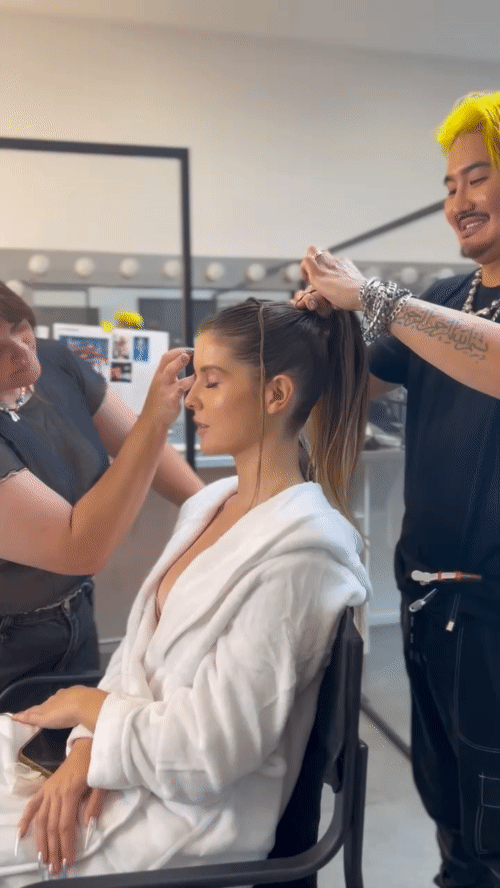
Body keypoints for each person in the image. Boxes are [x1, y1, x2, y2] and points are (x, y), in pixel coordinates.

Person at [0, 297, 371, 882]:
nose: (190, 397)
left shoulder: (303, 557)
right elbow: (134, 661)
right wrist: (85, 749)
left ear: (277, 394)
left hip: (186, 818)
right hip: (131, 760)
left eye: (213, 381)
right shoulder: (209, 505)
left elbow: (210, 751)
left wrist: (89, 707)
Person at [295, 90, 500, 888]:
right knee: (448, 802)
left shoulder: (438, 315)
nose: (459, 201)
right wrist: (325, 325)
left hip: (493, 614)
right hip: (429, 599)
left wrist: (375, 299)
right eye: (449, 185)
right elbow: (358, 383)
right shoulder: (447, 300)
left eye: (478, 177)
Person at [0, 282, 203, 695]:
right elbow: (80, 547)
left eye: (20, 328)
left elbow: (135, 442)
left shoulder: (55, 361)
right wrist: (155, 418)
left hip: (76, 610)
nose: (21, 351)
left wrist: (214, 506)